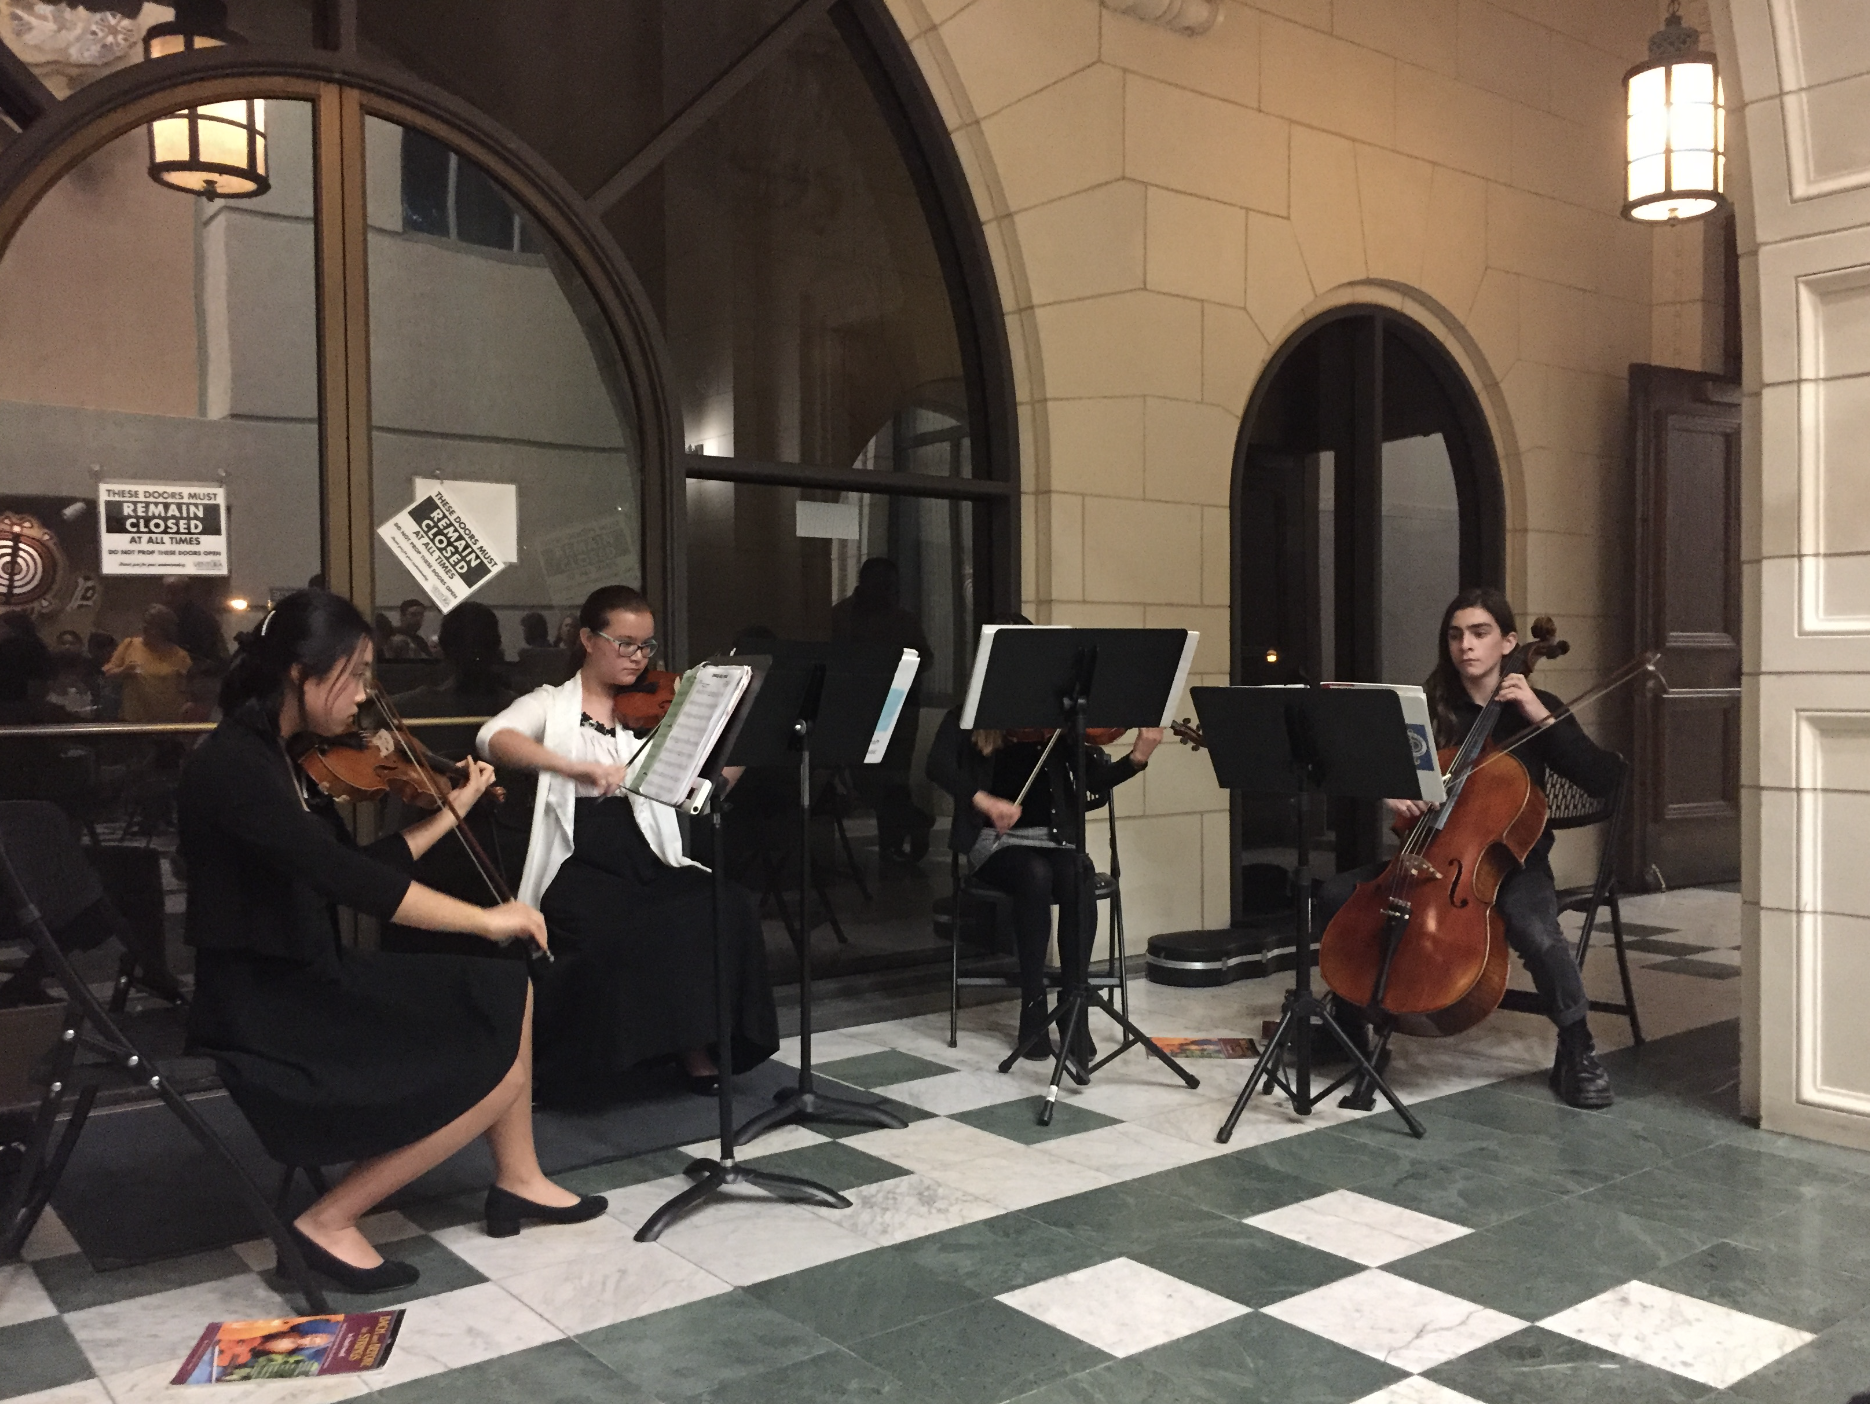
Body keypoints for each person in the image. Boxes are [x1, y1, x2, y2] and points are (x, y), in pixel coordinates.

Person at [178, 589, 601, 1295]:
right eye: (358, 673)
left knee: (506, 986)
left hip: (311, 971)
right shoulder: (234, 768)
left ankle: (520, 1177)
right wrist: (490, 918)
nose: (366, 695)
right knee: (492, 1031)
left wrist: (454, 808)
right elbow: (351, 884)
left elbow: (363, 868)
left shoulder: (287, 759)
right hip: (269, 1001)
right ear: (302, 673)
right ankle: (330, 1219)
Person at [1316, 587, 1625, 1109]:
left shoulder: (1537, 707)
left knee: (1536, 931)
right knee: (1336, 895)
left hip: (1513, 861)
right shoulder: (1430, 707)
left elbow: (1602, 778)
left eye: (1480, 633)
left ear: (1508, 643)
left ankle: (1576, 1048)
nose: (1467, 646)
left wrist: (1536, 714)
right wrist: (1394, 790)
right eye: (1456, 635)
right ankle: (1351, 1028)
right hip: (1428, 852)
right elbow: (1384, 771)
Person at [479, 584, 779, 1104]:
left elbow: (712, 767)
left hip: (646, 852)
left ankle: (698, 1043)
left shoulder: (656, 707)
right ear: (587, 640)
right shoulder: (550, 705)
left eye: (646, 646)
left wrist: (735, 743)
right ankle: (615, 1061)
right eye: (625, 644)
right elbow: (494, 738)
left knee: (723, 904)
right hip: (578, 863)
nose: (638, 658)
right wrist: (572, 765)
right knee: (620, 926)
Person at [926, 617, 1161, 1065]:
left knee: (1076, 872)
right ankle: (1032, 1008)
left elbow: (1092, 780)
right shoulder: (968, 714)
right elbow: (937, 767)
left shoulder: (1058, 718)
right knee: (1033, 875)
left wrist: (1136, 759)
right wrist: (985, 801)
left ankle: (1076, 1006)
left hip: (1053, 840)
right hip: (995, 843)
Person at [831, 558, 935, 865]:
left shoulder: (904, 621)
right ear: (866, 584)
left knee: (892, 780)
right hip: (855, 709)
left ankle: (893, 844)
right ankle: (914, 822)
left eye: (893, 586)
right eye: (884, 585)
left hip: (895, 707)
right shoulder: (840, 617)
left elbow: (925, 659)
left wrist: (899, 667)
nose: (890, 592)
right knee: (863, 780)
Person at [103, 605, 192, 723]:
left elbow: (191, 689)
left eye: (152, 625)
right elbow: (106, 673)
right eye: (145, 622)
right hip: (133, 719)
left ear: (165, 629)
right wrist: (123, 670)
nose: (145, 628)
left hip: (167, 722)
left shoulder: (180, 655)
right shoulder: (130, 644)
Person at [161, 576, 229, 665]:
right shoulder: (163, 616)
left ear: (186, 594)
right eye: (166, 593)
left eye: (174, 594)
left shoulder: (202, 619)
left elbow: (207, 654)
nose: (169, 598)